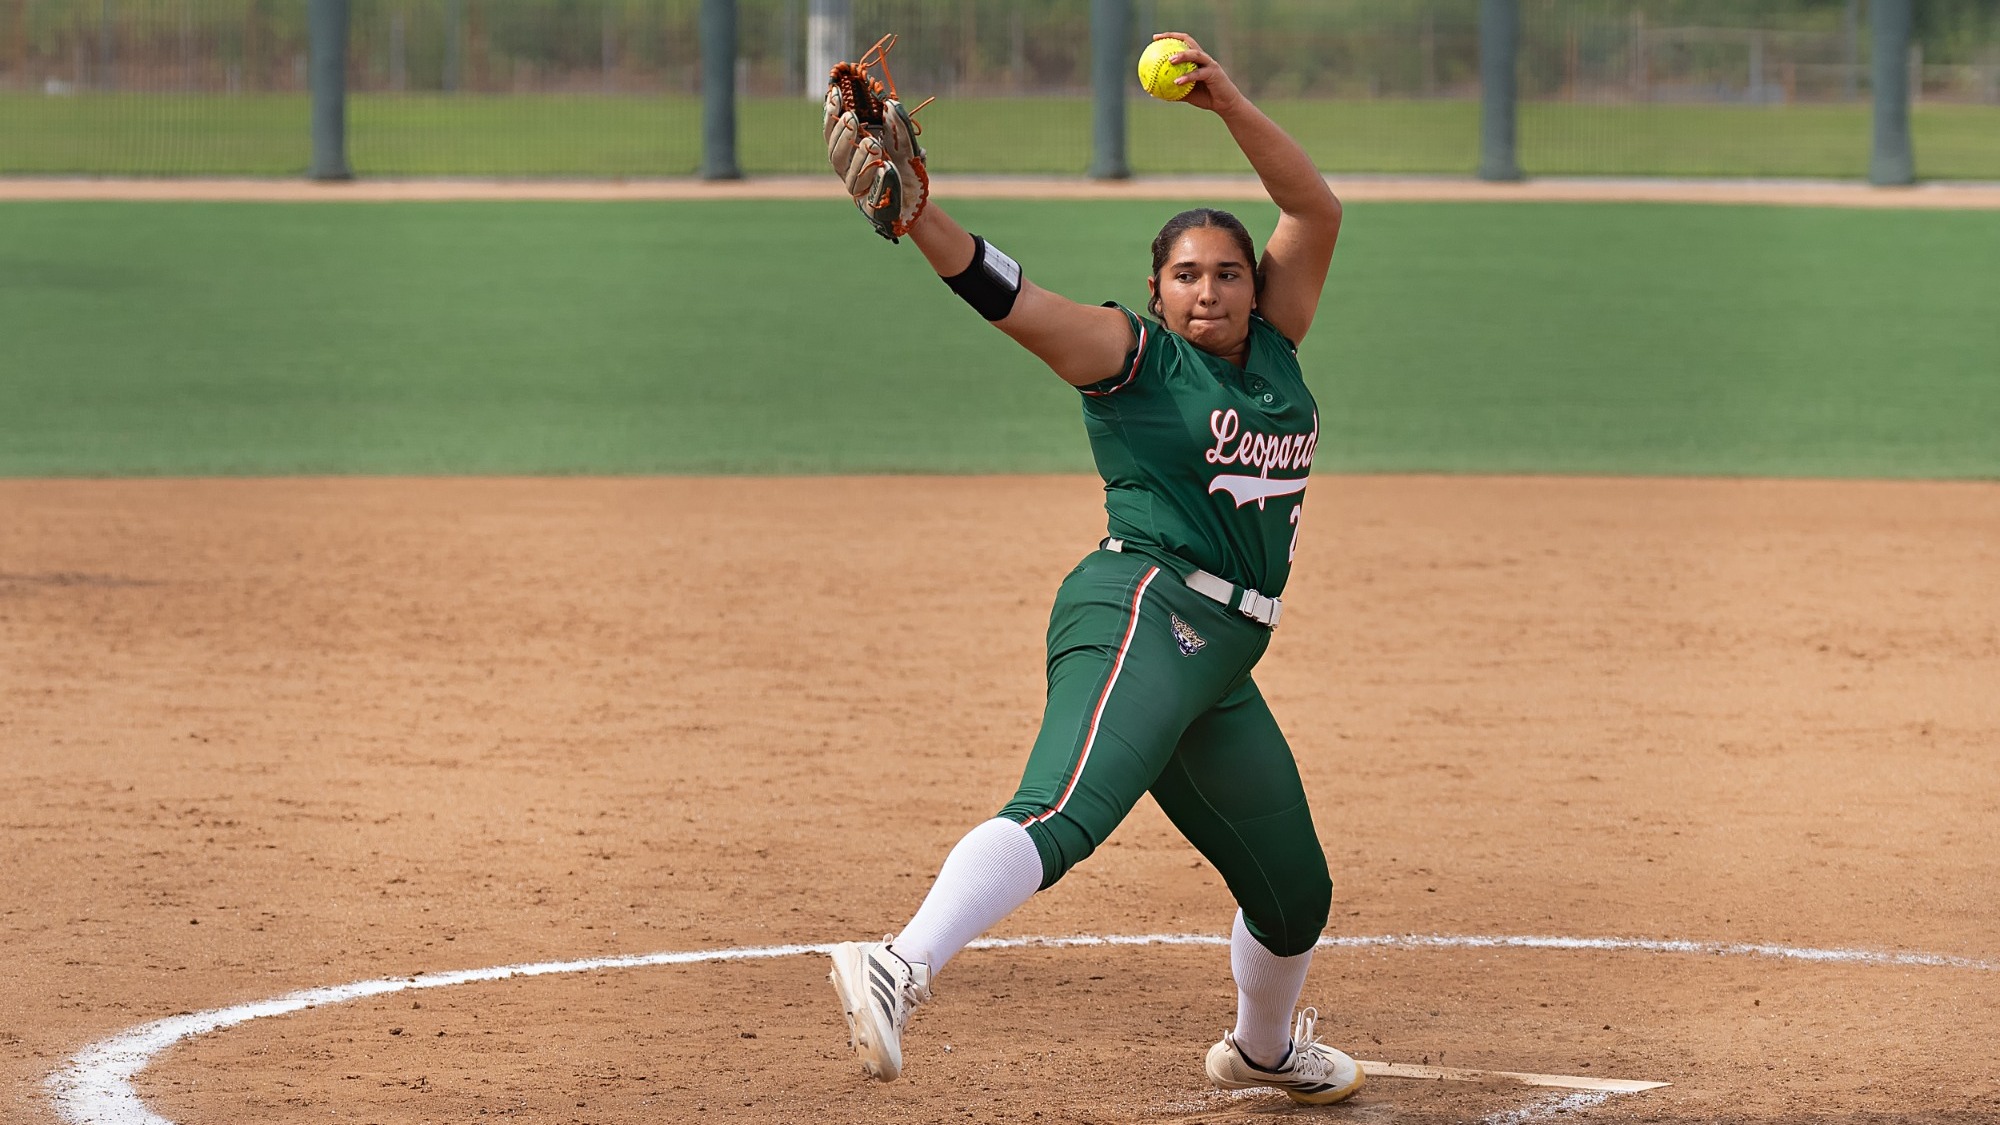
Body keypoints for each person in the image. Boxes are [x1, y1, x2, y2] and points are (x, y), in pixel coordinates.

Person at [823, 32, 1358, 1105]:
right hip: (1140, 611)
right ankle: (898, 964)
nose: (1207, 291)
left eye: (1227, 273)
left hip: (1216, 659)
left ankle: (1260, 1050)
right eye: (1184, 276)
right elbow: (1002, 292)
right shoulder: (1127, 354)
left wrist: (1227, 105)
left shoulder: (1275, 354)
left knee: (1294, 892)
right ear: (1154, 293)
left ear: (1255, 290)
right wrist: (921, 218)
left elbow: (1317, 210)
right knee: (1064, 808)